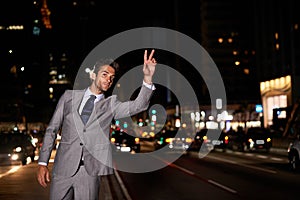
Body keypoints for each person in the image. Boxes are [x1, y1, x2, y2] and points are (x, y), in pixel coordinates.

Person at [37, 49, 157, 199]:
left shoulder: (111, 105)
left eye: (112, 77)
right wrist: (43, 163)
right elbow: (52, 130)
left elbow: (139, 105)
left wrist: (147, 78)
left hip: (89, 173)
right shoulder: (68, 97)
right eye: (104, 74)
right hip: (62, 170)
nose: (108, 79)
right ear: (93, 75)